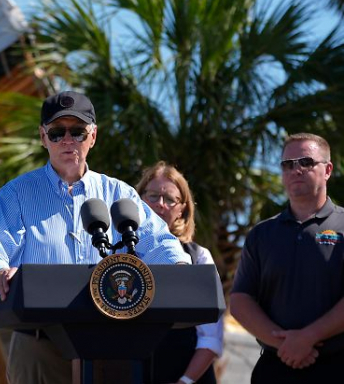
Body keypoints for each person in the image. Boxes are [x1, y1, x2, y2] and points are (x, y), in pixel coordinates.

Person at [0, 91, 191, 384]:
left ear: (93, 136)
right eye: (57, 132)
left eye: (77, 131)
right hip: (39, 344)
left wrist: (180, 270)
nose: (67, 140)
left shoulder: (120, 194)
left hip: (111, 343)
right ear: (42, 136)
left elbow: (160, 244)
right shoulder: (17, 194)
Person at [230, 132, 344, 383]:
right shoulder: (261, 234)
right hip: (275, 367)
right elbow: (240, 299)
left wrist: (307, 338)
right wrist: (285, 344)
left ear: (327, 170)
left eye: (306, 162)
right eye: (288, 164)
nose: (296, 170)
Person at [136, 161, 224, 384]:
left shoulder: (198, 257)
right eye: (153, 196)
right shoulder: (118, 255)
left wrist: (185, 380)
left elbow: (211, 337)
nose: (160, 205)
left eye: (170, 199)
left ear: (182, 208)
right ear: (139, 199)